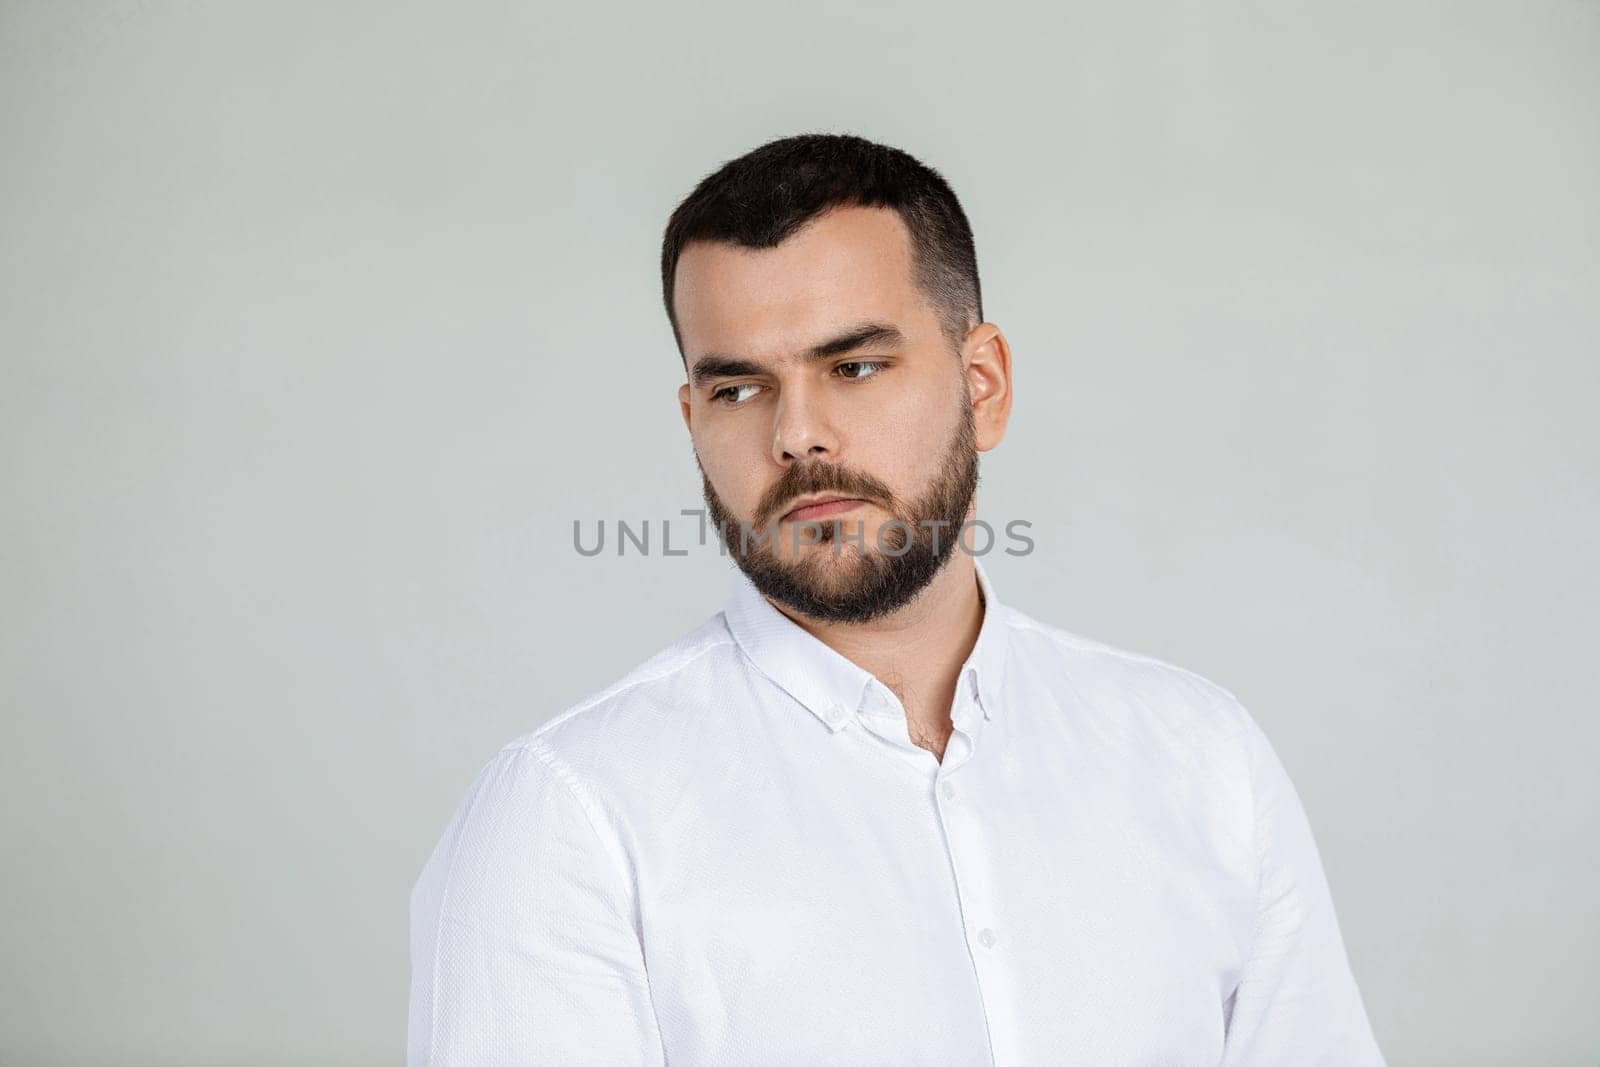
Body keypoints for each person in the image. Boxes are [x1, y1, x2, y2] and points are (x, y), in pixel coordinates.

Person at [407, 132, 1385, 1065]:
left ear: (984, 384)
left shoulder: (1200, 758)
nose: (797, 434)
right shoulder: (572, 819)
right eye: (738, 389)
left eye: (855, 365)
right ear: (692, 418)